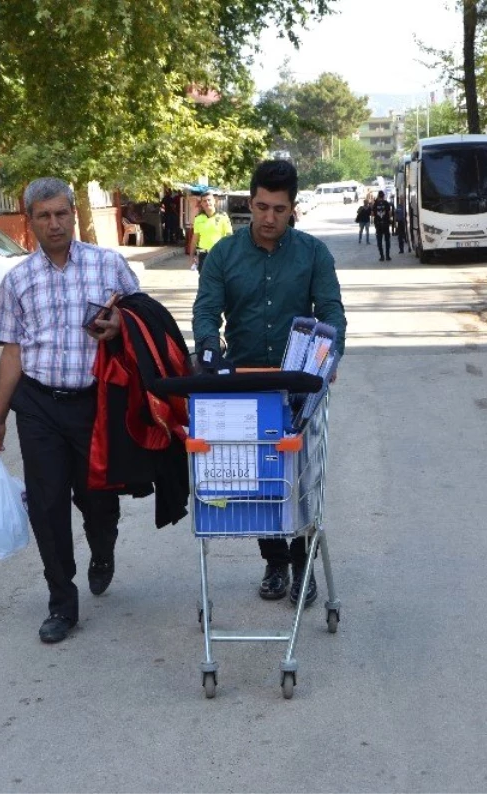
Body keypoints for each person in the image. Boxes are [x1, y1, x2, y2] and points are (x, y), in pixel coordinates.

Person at [0, 177, 141, 645]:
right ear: (30, 222)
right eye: (44, 216)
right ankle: (61, 602)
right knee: (48, 505)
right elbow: (12, 352)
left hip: (95, 404)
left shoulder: (109, 266)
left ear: (73, 214)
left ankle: (103, 548)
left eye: (61, 213)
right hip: (39, 406)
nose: (54, 223)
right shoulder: (19, 280)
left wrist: (119, 325)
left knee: (97, 499)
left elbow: (140, 321)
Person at [192, 160, 347, 606]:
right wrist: (208, 348)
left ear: (292, 208)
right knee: (258, 480)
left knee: (300, 479)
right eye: (261, 206)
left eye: (279, 209)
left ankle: (303, 565)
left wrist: (330, 354)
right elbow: (206, 310)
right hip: (244, 387)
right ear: (250, 201)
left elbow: (332, 312)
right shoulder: (224, 253)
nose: (268, 217)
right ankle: (275, 562)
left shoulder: (314, 254)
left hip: (298, 386)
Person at [190, 194, 232, 272]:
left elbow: (229, 237)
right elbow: (195, 239)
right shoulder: (198, 219)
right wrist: (191, 256)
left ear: (214, 201)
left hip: (219, 255)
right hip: (204, 255)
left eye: (209, 200)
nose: (207, 202)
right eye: (204, 201)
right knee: (204, 280)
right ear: (201, 204)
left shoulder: (223, 216)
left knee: (218, 280)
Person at [372, 190, 394, 261]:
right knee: (387, 241)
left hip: (378, 225)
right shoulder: (386, 203)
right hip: (386, 224)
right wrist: (389, 219)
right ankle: (387, 256)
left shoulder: (375, 204)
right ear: (383, 196)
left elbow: (372, 214)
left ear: (378, 196)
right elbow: (390, 213)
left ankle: (382, 256)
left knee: (379, 241)